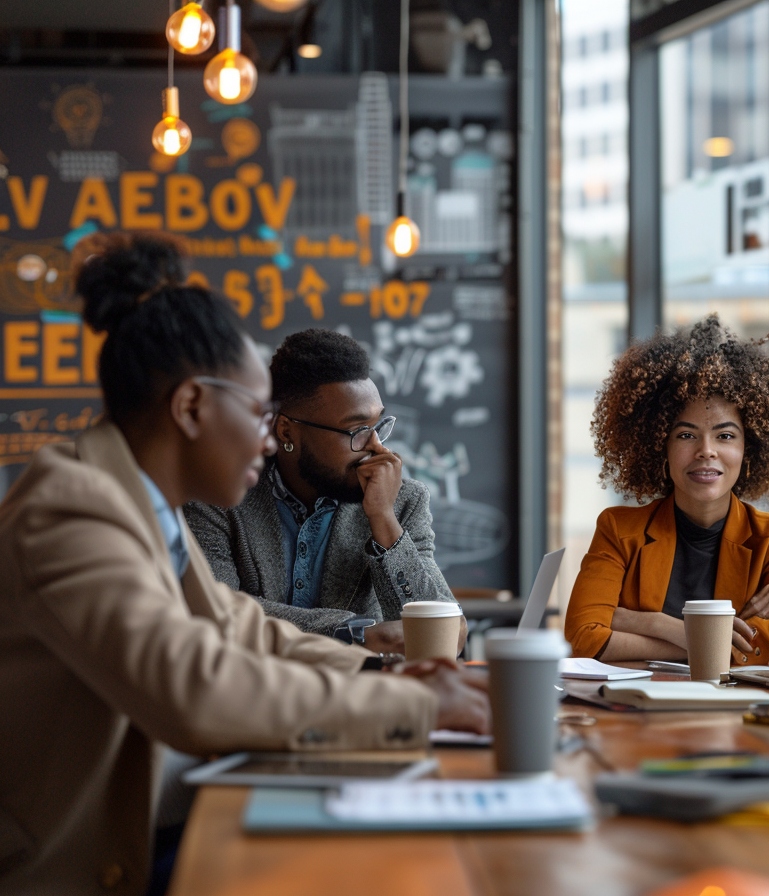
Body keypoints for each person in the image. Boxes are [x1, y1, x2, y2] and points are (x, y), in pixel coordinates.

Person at [0, 232, 488, 895]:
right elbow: (193, 686)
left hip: (160, 819)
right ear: (191, 406)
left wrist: (380, 668)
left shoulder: (137, 500)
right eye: (260, 414)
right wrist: (411, 704)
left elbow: (239, 627)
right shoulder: (73, 508)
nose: (269, 438)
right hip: (79, 862)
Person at [185, 328, 459, 657]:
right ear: (286, 430)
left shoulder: (401, 501)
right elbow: (212, 612)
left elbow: (446, 634)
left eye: (378, 426)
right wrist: (352, 632)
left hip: (360, 700)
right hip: (252, 696)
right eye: (357, 430)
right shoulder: (220, 495)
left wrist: (384, 522)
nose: (375, 446)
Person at [565, 316, 769, 663]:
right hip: (636, 710)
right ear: (658, 444)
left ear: (748, 448)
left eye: (725, 436)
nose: (706, 450)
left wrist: (632, 620)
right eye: (686, 435)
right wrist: (689, 632)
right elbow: (584, 639)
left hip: (734, 713)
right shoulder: (619, 530)